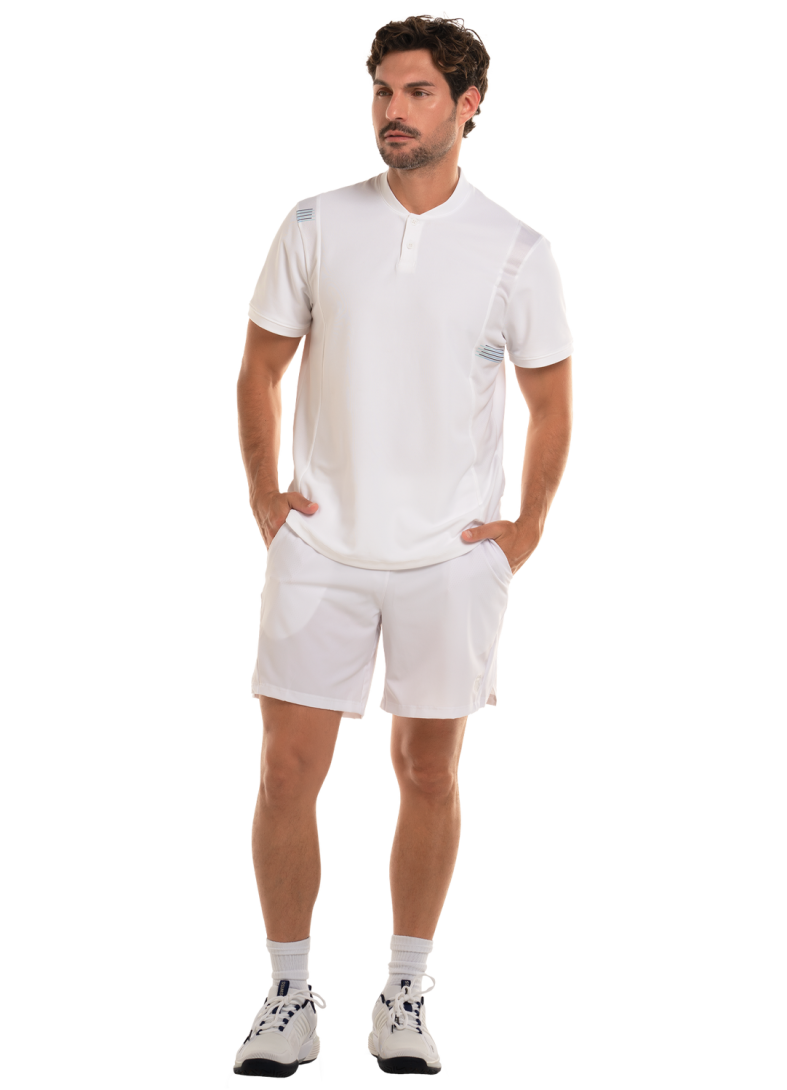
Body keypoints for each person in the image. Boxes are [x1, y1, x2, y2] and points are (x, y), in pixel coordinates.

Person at [232, 15, 573, 1078]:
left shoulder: (516, 249)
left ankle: (406, 990)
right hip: (320, 547)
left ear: (467, 105)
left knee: (428, 770)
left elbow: (552, 403)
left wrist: (523, 529)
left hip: (449, 558)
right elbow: (259, 368)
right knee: (286, 768)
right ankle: (288, 993)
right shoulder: (316, 222)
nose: (394, 111)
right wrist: (265, 497)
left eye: (418, 92)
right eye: (383, 91)